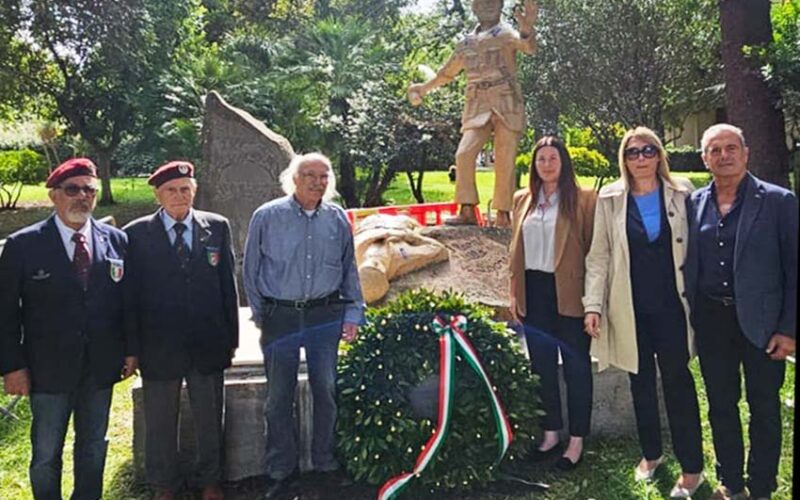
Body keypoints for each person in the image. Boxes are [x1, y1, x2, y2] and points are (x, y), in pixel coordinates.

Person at [0, 158, 136, 499]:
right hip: (47, 369)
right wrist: (12, 367)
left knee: (93, 446)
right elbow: (4, 313)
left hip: (100, 365)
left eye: (88, 189)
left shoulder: (116, 240)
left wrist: (132, 350)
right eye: (72, 189)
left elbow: (128, 303)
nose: (82, 197)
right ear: (53, 196)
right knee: (46, 453)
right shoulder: (23, 245)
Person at [583, 127, 704, 498]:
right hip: (629, 305)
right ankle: (651, 455)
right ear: (624, 159)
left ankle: (692, 468)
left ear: (659, 155)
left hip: (672, 306)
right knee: (640, 383)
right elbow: (599, 256)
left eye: (648, 150)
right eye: (632, 152)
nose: (640, 158)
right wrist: (593, 305)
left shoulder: (683, 192)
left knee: (678, 383)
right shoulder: (610, 198)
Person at [684, 124, 797, 500]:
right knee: (720, 404)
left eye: (731, 148)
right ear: (705, 159)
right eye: (714, 150)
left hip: (764, 323)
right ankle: (730, 482)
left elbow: (794, 268)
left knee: (764, 407)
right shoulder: (694, 204)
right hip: (713, 320)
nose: (724, 155)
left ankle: (761, 486)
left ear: (745, 153)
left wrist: (788, 328)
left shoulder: (779, 201)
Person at [243, 153, 365, 499]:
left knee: (325, 389)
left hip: (324, 317)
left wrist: (353, 314)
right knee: (278, 396)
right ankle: (281, 469)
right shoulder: (267, 216)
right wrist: (261, 313)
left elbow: (348, 270)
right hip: (280, 317)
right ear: (293, 179)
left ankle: (325, 463)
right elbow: (250, 270)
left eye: (324, 176)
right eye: (309, 175)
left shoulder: (337, 218)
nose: (317, 182)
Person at [123, 161, 239, 500]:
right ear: (158, 194)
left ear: (195, 191)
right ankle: (164, 484)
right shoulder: (136, 233)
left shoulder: (216, 227)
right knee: (160, 421)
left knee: (209, 417)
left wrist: (230, 339)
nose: (179, 196)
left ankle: (210, 481)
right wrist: (132, 346)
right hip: (159, 345)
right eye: (171, 190)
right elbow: (129, 297)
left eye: (185, 189)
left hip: (207, 342)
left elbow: (227, 285)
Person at [408, 0, 538, 228]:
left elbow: (527, 48)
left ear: (500, 6)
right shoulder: (465, 43)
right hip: (477, 104)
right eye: (481, 2)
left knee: (505, 157)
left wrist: (527, 28)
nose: (487, 6)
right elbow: (446, 73)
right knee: (464, 153)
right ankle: (467, 208)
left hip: (506, 102)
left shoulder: (506, 33)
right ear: (474, 8)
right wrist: (423, 88)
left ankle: (503, 214)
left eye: (493, 2)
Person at [509, 136, 596, 471]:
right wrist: (514, 291)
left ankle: (576, 440)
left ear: (564, 162)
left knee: (576, 368)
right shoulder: (522, 200)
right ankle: (550, 433)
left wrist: (594, 303)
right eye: (540, 159)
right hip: (535, 291)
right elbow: (514, 253)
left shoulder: (584, 199)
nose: (546, 164)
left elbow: (594, 250)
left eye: (552, 158)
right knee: (541, 366)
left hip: (570, 293)